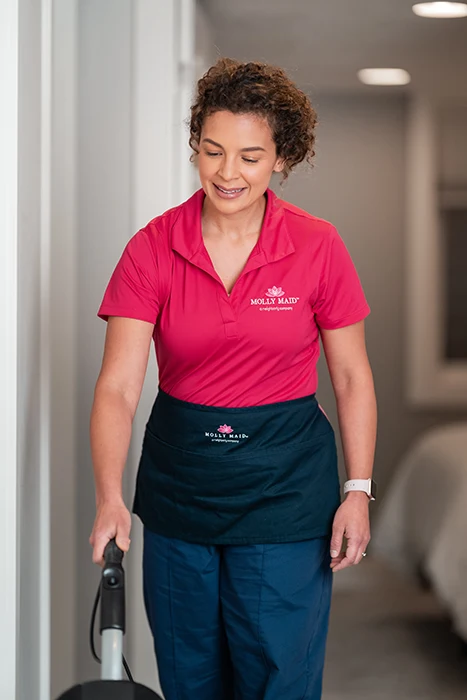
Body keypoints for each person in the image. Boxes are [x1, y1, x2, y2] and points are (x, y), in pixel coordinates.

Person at [89, 58, 377, 700]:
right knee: (190, 678)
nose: (227, 172)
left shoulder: (317, 246)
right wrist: (110, 495)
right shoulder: (152, 247)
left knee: (280, 675)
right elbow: (118, 387)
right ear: (196, 145)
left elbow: (352, 376)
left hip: (285, 491)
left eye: (250, 156)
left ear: (282, 159)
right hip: (179, 490)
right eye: (213, 151)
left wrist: (358, 488)